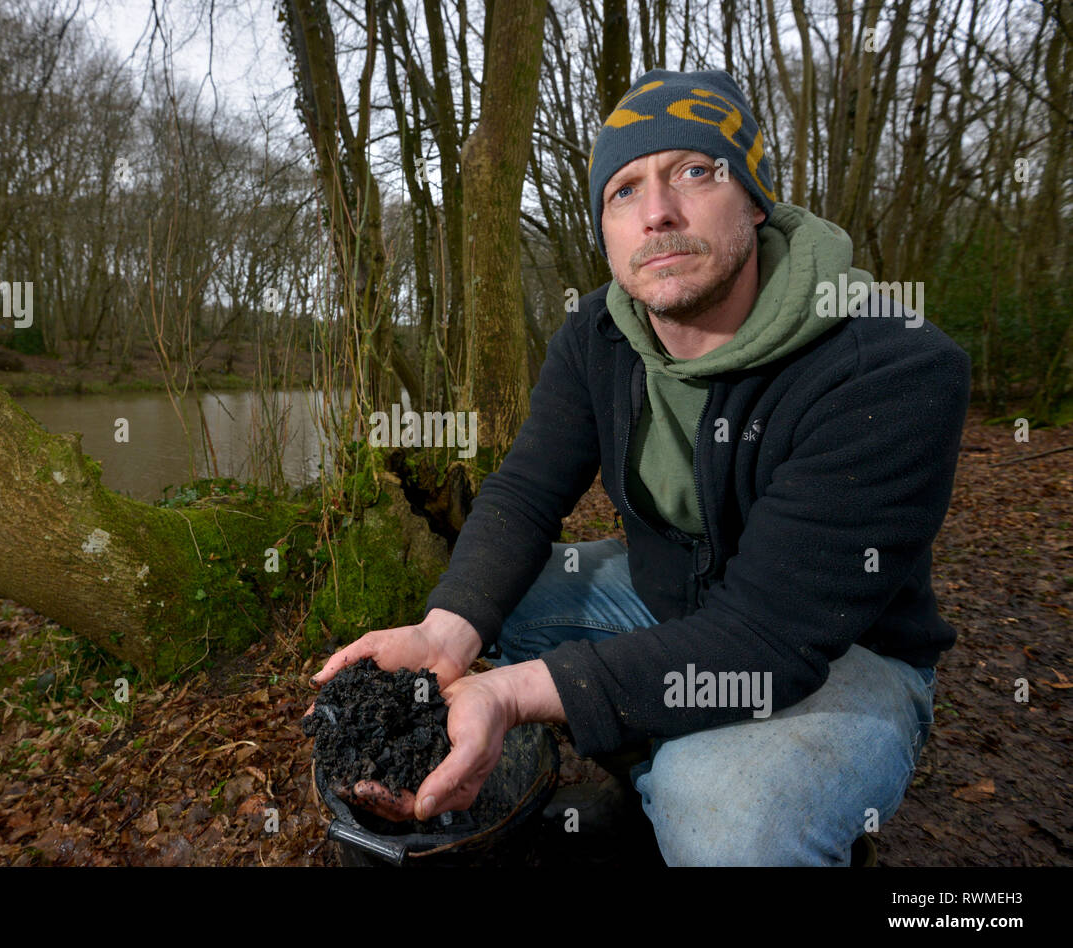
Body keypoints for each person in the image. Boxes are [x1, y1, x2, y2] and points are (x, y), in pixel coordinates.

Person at [312, 68, 970, 865]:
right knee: (499, 599)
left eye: (696, 172)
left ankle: (727, 802)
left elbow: (765, 635)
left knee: (721, 813)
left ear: (756, 201)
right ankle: (652, 760)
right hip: (672, 599)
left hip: (841, 650)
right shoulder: (599, 335)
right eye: (624, 190)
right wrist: (446, 633)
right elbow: (524, 494)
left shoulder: (887, 364)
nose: (658, 211)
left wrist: (511, 693)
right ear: (606, 228)